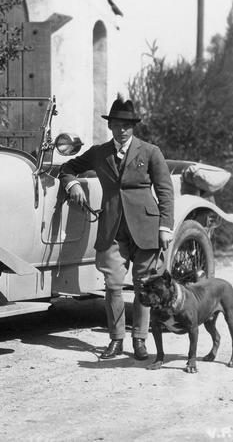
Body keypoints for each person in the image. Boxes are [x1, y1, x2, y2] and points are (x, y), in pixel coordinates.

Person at [59, 97, 174, 361]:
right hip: (112, 227)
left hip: (146, 227)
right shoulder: (99, 153)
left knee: (144, 285)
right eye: (117, 124)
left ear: (134, 127)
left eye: (127, 125)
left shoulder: (150, 151)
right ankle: (116, 340)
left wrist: (165, 227)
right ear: (110, 126)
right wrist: (72, 185)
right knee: (112, 285)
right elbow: (68, 168)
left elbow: (165, 191)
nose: (122, 130)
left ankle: (140, 340)